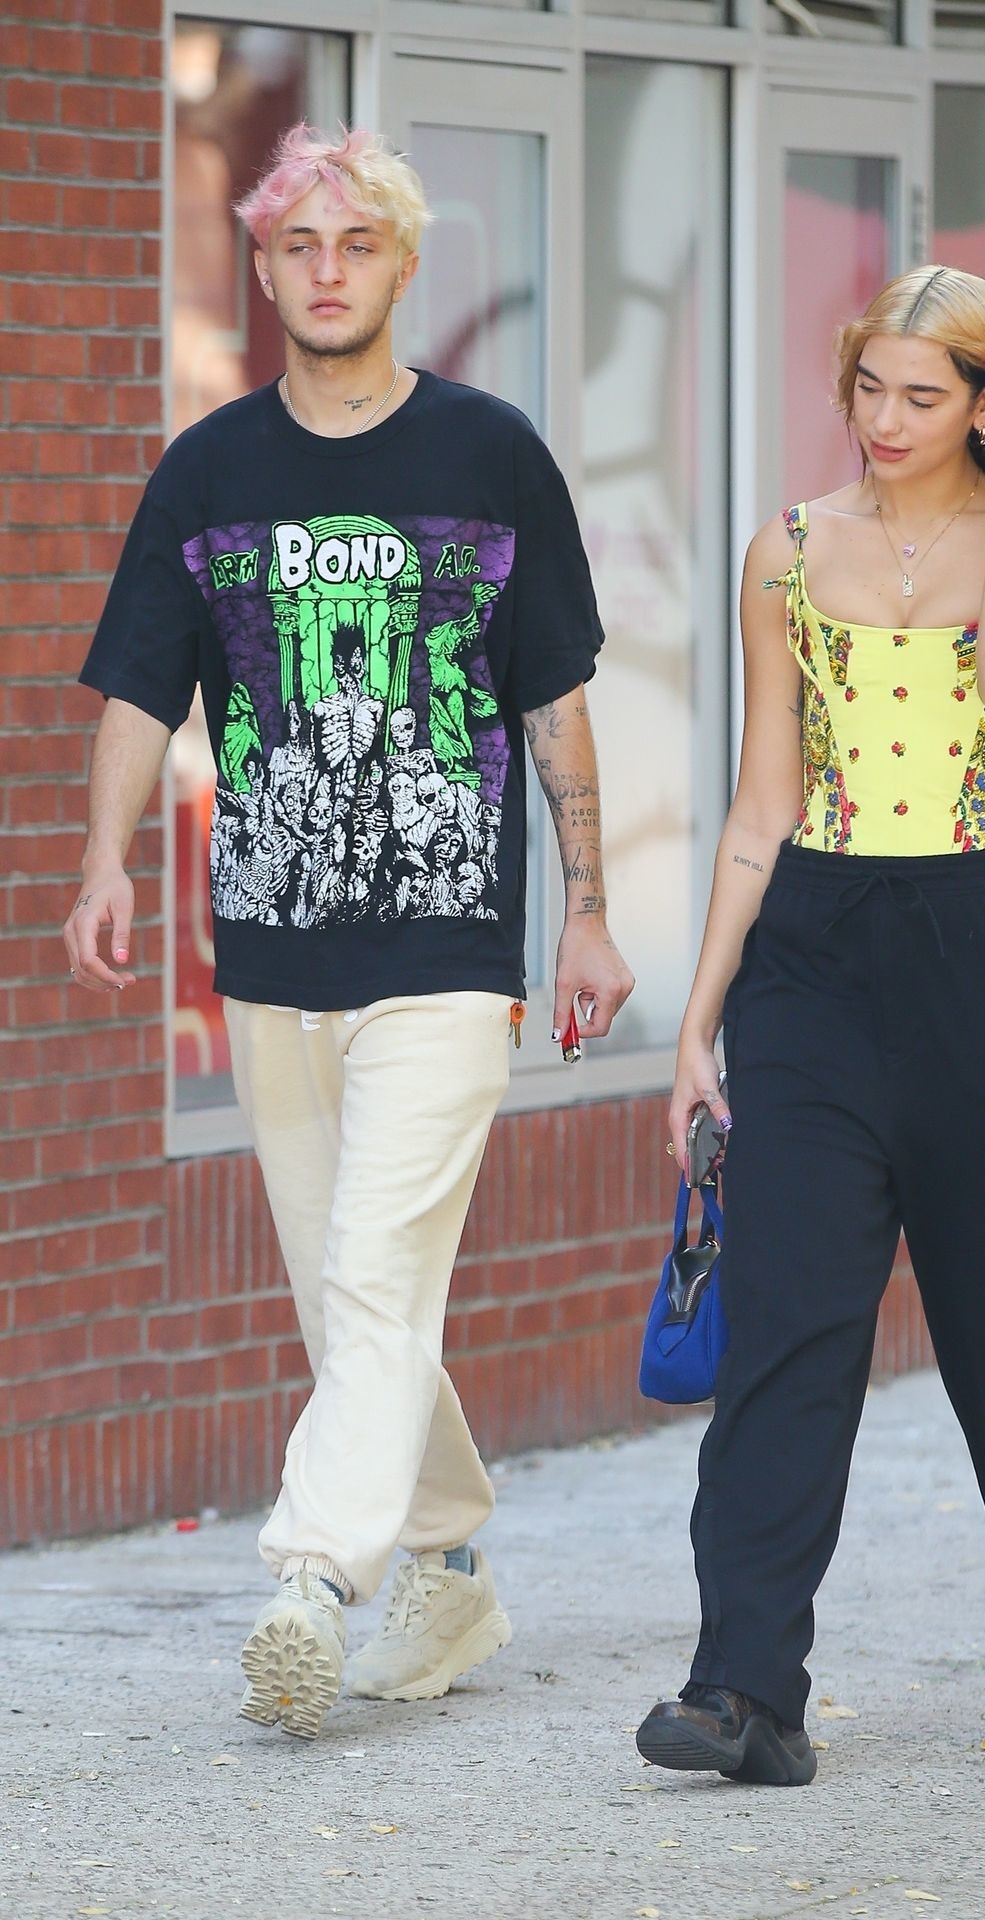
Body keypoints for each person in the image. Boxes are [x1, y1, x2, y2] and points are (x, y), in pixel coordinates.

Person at [66, 124, 633, 1740]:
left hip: (449, 950)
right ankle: (449, 1564)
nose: (329, 270)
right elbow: (138, 688)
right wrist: (105, 862)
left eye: (358, 243)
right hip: (273, 948)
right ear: (263, 271)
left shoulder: (492, 454)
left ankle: (312, 1580)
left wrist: (589, 912)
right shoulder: (208, 471)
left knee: (377, 1272)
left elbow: (554, 698)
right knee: (346, 1297)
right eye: (300, 245)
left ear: (403, 264)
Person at [636, 264, 985, 1787]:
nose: (886, 420)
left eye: (926, 396)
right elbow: (760, 803)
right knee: (787, 1316)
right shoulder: (786, 551)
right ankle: (744, 1686)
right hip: (814, 946)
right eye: (870, 386)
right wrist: (700, 1020)